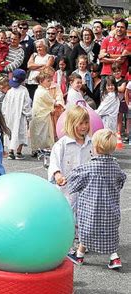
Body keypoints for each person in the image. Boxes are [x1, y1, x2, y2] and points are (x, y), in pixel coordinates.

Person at [66, 129, 126, 270]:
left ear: (96, 147)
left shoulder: (89, 167)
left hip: (91, 211)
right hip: (110, 211)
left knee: (86, 232)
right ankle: (114, 258)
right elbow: (121, 179)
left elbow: (74, 181)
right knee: (110, 233)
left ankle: (79, 255)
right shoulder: (115, 167)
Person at [48, 105, 93, 210]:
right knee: (66, 215)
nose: (84, 126)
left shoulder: (91, 144)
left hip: (86, 191)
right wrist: (57, 174)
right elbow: (54, 161)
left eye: (86, 123)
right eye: (80, 123)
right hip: (66, 190)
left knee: (83, 217)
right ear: (72, 124)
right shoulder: (62, 144)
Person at [30, 68, 65, 153]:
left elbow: (59, 96)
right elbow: (51, 101)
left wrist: (59, 104)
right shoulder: (43, 92)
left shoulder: (43, 89)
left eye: (50, 80)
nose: (50, 82)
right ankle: (41, 148)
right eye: (48, 81)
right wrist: (56, 104)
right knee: (43, 133)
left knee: (41, 132)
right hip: (43, 114)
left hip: (47, 113)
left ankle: (38, 148)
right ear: (41, 81)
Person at [1, 69, 32, 160]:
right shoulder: (24, 91)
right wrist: (29, 115)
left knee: (11, 132)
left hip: (10, 116)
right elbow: (26, 105)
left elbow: (5, 104)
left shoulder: (10, 91)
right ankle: (18, 152)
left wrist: (4, 114)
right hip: (20, 116)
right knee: (20, 132)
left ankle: (11, 151)